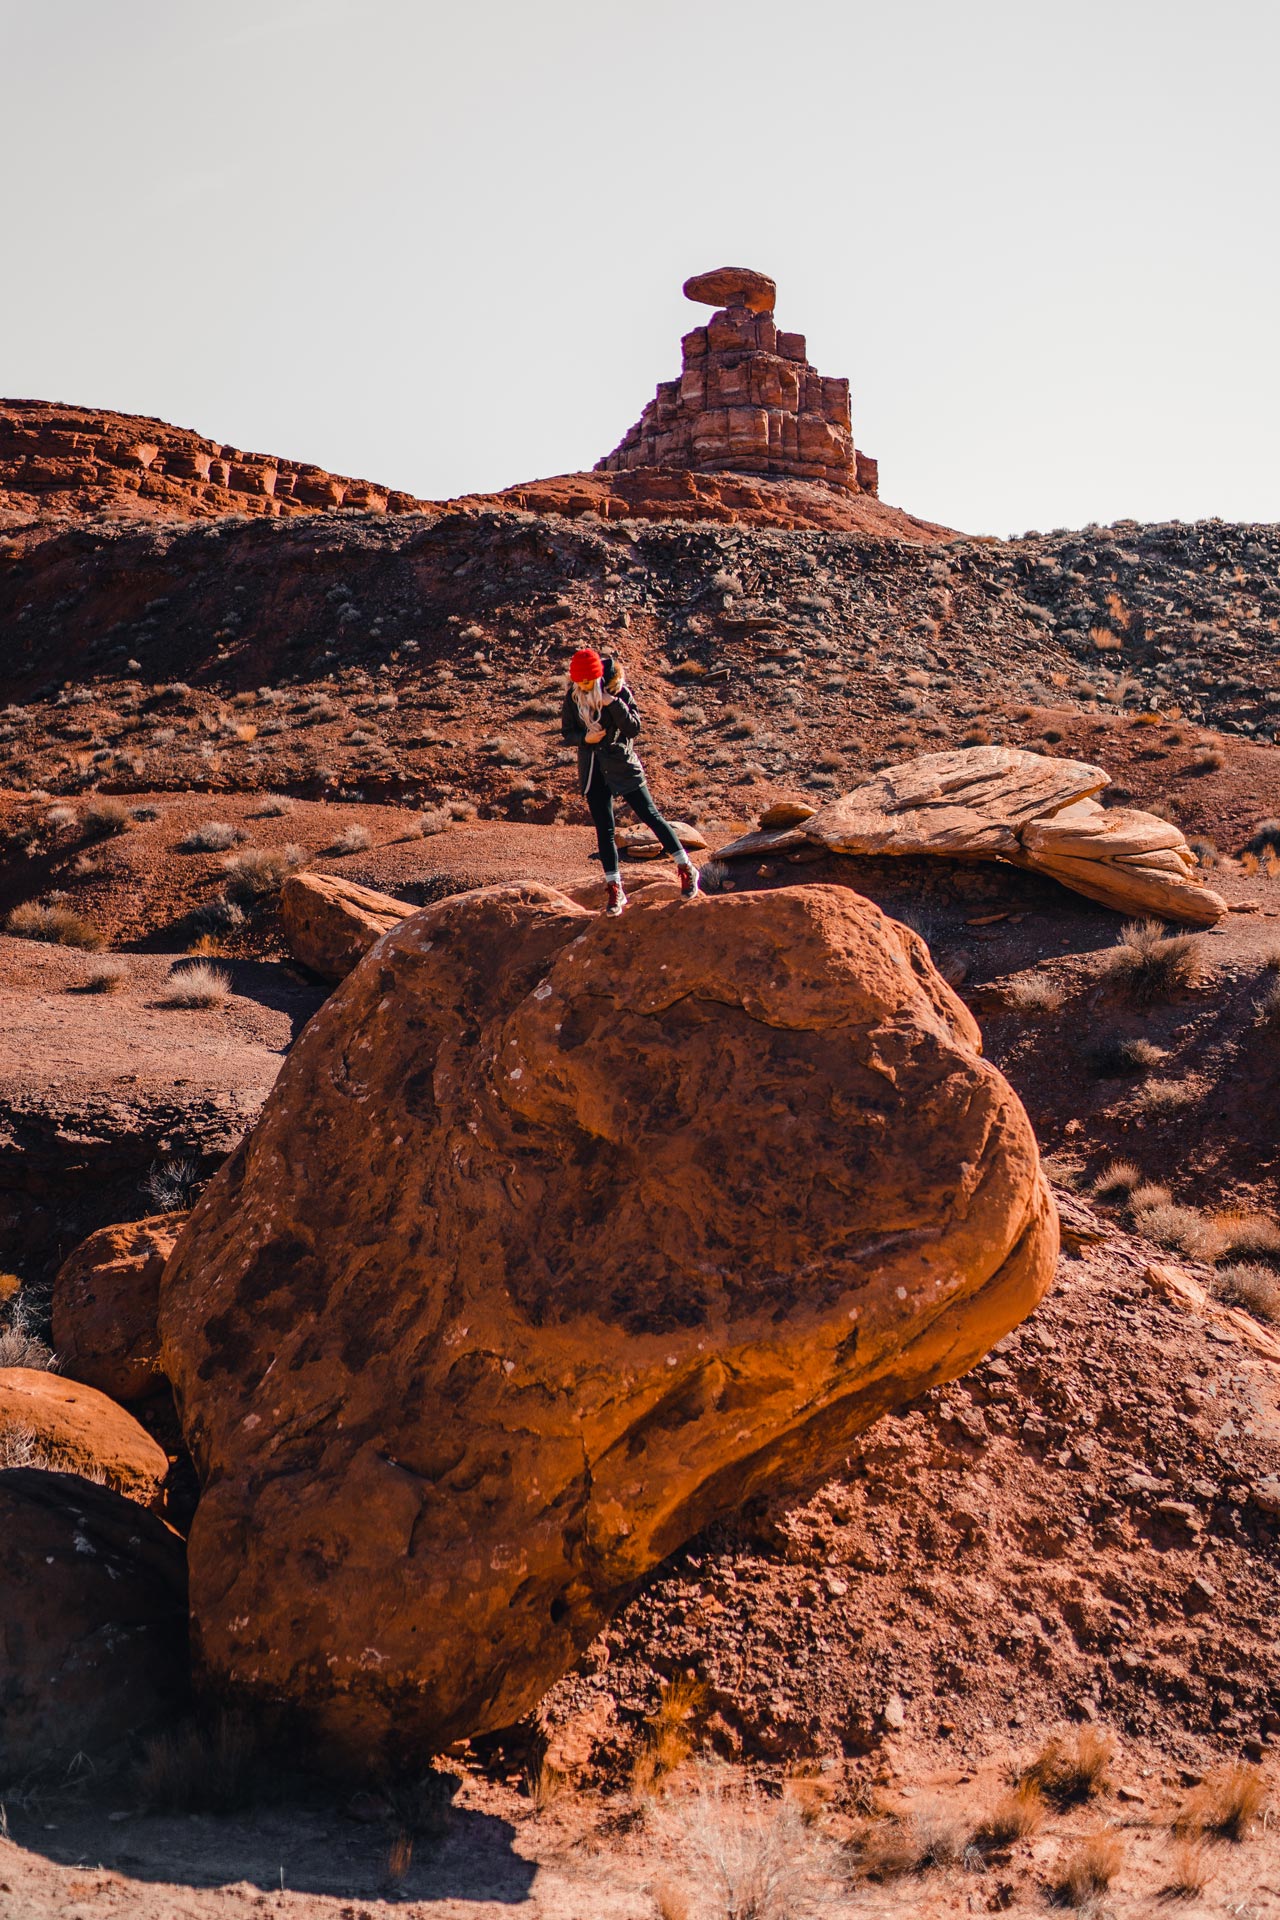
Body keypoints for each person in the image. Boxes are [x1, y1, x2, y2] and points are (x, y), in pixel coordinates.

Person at [560, 647, 700, 916]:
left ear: (598, 676)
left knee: (651, 816)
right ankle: (615, 890)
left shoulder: (618, 691)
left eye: (588, 680)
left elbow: (633, 727)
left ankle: (686, 868)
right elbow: (568, 732)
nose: (584, 685)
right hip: (593, 769)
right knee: (605, 830)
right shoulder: (573, 696)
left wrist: (612, 702)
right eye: (579, 681)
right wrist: (584, 740)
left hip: (622, 765)